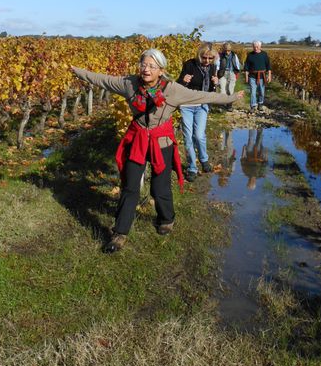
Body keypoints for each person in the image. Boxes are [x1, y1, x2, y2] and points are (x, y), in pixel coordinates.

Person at [72, 49, 243, 252]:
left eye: (152, 66)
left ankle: (166, 218)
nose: (146, 69)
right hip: (137, 140)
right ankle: (120, 233)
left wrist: (230, 98)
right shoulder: (129, 84)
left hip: (161, 142)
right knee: (130, 186)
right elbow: (102, 80)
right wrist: (76, 71)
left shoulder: (173, 90)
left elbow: (202, 95)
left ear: (161, 70)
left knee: (160, 186)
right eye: (143, 64)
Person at [177, 43, 221, 182]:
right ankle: (192, 167)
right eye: (204, 58)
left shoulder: (212, 67)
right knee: (188, 137)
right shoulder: (189, 65)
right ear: (199, 55)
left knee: (199, 135)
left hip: (202, 105)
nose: (207, 61)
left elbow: (211, 91)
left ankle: (203, 159)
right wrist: (183, 81)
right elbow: (179, 86)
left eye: (210, 58)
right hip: (187, 106)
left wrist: (216, 83)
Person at [244, 40, 272, 111]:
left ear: (260, 46)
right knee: (253, 92)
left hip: (262, 77)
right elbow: (246, 67)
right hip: (252, 77)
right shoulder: (250, 55)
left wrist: (269, 76)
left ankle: (260, 104)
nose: (255, 48)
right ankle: (253, 106)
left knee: (261, 92)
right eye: (254, 47)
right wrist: (246, 77)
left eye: (257, 47)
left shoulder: (264, 54)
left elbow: (268, 66)